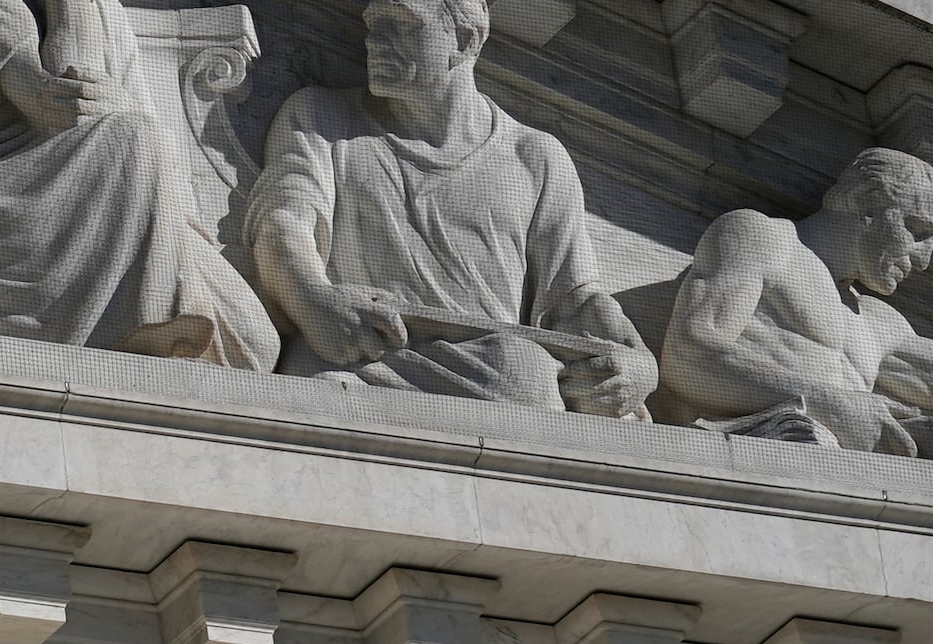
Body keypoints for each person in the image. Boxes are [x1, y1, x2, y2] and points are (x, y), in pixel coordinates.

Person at [250, 0, 653, 414]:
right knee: (313, 377)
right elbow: (283, 223)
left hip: (492, 367)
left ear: (464, 39)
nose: (375, 39)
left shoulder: (534, 156)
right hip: (363, 353)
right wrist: (311, 298)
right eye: (374, 23)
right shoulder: (320, 116)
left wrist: (640, 365)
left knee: (526, 376)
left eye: (401, 23)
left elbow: (575, 300)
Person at [0, 0, 274, 363]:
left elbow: (91, 93)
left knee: (255, 344)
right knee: (130, 137)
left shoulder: (103, 11)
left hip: (68, 181)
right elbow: (61, 99)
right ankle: (130, 335)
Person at [663, 149, 933, 457]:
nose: (923, 260)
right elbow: (688, 354)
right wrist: (835, 406)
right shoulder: (763, 238)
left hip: (855, 480)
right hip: (762, 452)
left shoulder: (880, 321)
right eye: (917, 231)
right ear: (865, 202)